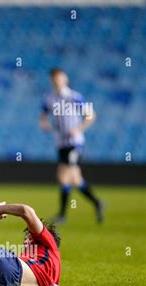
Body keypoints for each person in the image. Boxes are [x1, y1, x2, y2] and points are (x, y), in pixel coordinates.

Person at [40, 68, 104, 224]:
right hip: (60, 143)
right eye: (54, 79)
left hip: (74, 143)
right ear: (52, 81)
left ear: (65, 79)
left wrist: (78, 129)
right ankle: (97, 203)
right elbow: (43, 115)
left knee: (64, 176)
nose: (57, 81)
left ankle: (62, 215)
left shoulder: (74, 97)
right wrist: (44, 124)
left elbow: (91, 115)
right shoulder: (49, 98)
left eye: (60, 78)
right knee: (75, 179)